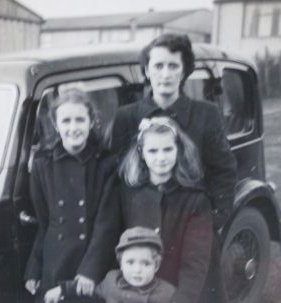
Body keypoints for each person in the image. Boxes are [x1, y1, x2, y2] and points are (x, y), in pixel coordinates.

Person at [111, 33, 237, 302]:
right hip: (140, 244)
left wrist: (212, 221)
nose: (165, 74)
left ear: (184, 71)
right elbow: (117, 179)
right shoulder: (127, 116)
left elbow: (224, 171)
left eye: (173, 66)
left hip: (190, 234)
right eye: (158, 66)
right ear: (146, 70)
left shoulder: (206, 114)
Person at [24, 87, 118, 303]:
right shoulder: (42, 166)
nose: (73, 128)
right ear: (56, 125)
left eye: (80, 120)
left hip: (91, 265)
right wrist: (34, 267)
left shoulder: (105, 164)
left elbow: (107, 225)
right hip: (55, 265)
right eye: (66, 121)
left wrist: (89, 271)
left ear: (91, 122)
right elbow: (45, 223)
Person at [118, 117, 213, 303]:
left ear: (178, 150)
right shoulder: (129, 194)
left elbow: (195, 262)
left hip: (176, 291)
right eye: (153, 151)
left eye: (168, 149)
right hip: (135, 290)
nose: (161, 158)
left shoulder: (195, 200)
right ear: (141, 153)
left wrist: (183, 299)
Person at [52, 227, 176, 303]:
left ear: (156, 266)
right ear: (121, 264)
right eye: (130, 262)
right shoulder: (112, 281)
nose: (137, 270)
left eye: (146, 264)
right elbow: (90, 289)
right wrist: (62, 289)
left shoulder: (167, 293)